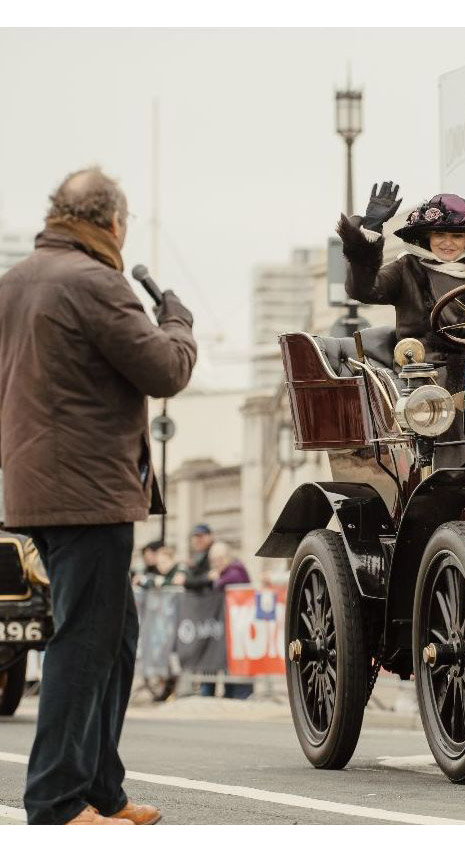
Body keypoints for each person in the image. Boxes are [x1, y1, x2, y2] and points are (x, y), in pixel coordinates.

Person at [0, 167, 197, 825]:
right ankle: (55, 801)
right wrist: (177, 322)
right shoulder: (94, 283)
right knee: (84, 642)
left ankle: (101, 791)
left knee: (113, 638)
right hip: (87, 492)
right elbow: (163, 368)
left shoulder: (18, 280)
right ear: (113, 223)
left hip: (39, 486)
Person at [338, 182, 465, 395]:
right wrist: (369, 233)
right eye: (439, 234)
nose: (448, 243)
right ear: (428, 237)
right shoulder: (406, 269)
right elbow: (363, 290)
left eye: (457, 236)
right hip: (424, 373)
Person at [197, 542, 252, 700]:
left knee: (234, 664)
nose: (217, 563)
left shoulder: (235, 570)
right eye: (214, 560)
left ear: (228, 557)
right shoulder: (223, 571)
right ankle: (228, 694)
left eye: (220, 558)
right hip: (225, 628)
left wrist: (215, 580)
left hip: (238, 628)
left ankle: (239, 695)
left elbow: (222, 584)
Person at [183, 522, 214, 590]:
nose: (198, 540)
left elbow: (211, 577)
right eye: (195, 537)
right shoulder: (197, 556)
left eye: (201, 536)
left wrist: (186, 581)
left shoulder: (214, 553)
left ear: (210, 537)